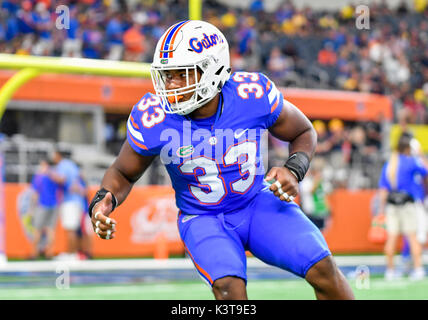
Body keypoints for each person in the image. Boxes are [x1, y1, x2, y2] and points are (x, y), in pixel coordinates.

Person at [88, 20, 354, 300]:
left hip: (256, 203)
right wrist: (104, 199)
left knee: (323, 269)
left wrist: (294, 168)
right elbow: (123, 172)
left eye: (182, 74)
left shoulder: (250, 95)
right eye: (167, 75)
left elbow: (303, 131)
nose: (170, 85)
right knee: (229, 288)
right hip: (204, 217)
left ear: (212, 70)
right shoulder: (154, 116)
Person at [378, 134, 428, 281]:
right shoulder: (411, 161)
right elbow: (426, 170)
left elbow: (383, 189)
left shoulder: (389, 165)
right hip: (408, 204)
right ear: (408, 148)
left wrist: (380, 211)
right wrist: (419, 154)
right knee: (413, 237)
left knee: (392, 238)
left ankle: (390, 271)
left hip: (392, 206)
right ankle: (418, 269)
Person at [48, 148, 82, 261]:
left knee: (70, 229)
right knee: (72, 229)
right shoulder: (72, 165)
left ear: (58, 155)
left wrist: (49, 173)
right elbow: (77, 181)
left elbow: (62, 179)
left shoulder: (63, 165)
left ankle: (72, 255)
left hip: (70, 201)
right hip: (76, 200)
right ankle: (72, 254)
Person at [29, 158, 59, 259]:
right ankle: (49, 253)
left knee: (37, 230)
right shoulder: (54, 175)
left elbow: (35, 194)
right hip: (54, 204)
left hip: (43, 204)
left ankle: (34, 254)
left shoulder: (39, 176)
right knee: (50, 230)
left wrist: (32, 209)